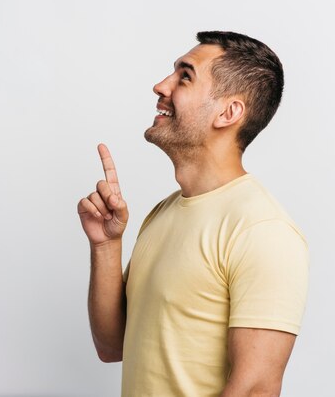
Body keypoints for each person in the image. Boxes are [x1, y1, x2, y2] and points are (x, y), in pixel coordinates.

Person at [77, 31, 309, 397]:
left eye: (185, 76)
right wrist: (106, 246)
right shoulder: (163, 213)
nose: (160, 85)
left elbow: (256, 389)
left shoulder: (262, 228)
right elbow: (112, 346)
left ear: (229, 112)